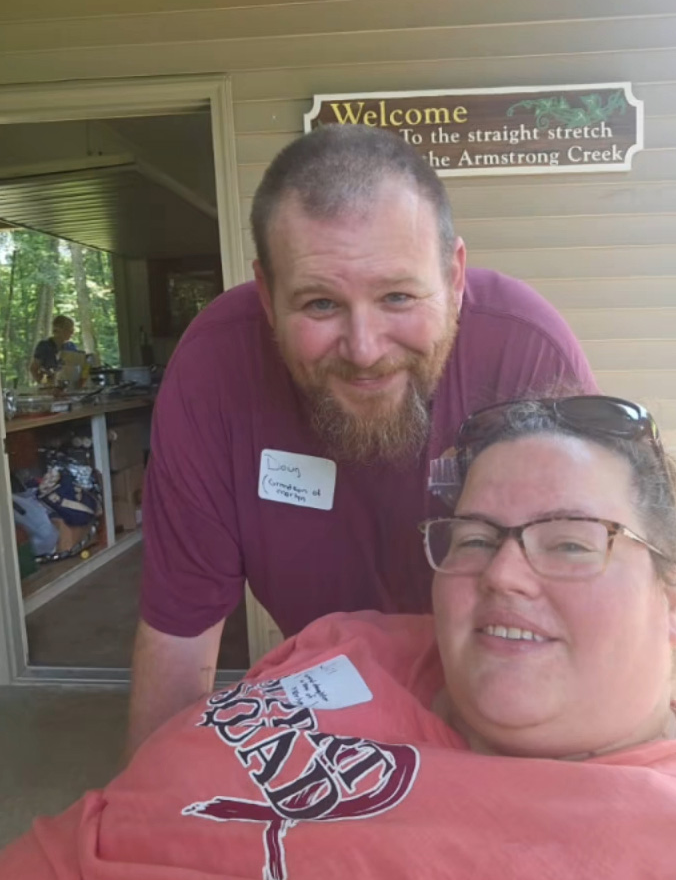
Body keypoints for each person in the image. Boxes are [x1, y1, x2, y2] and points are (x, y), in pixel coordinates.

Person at [2, 394, 676, 880]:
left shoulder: (671, 836)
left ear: (674, 601)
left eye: (571, 543)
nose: (503, 574)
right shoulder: (357, 639)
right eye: (476, 538)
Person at [129, 124, 597, 755]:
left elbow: (583, 605)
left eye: (398, 296)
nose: (366, 350)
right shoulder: (213, 371)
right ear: (266, 296)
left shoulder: (524, 352)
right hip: (327, 701)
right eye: (320, 304)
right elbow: (179, 641)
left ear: (455, 277)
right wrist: (146, 816)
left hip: (502, 699)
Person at [29, 315, 78, 383]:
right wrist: (43, 383)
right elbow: (33, 369)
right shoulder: (44, 346)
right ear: (58, 330)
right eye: (68, 330)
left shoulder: (71, 347)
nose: (71, 333)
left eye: (72, 330)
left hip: (68, 386)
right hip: (49, 387)